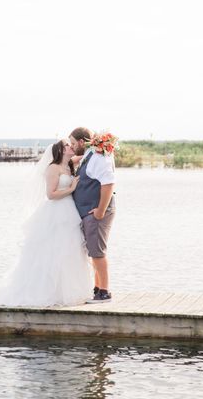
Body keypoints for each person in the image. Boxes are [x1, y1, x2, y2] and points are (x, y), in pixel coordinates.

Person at [0, 140, 93, 307]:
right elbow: (50, 194)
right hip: (56, 212)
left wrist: (100, 145)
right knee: (52, 251)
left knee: (68, 249)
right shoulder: (53, 168)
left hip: (69, 212)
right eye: (67, 145)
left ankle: (65, 291)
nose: (71, 146)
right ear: (60, 151)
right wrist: (71, 189)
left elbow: (88, 155)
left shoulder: (69, 164)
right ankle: (46, 291)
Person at [69, 127, 116, 303]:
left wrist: (100, 211)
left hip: (96, 212)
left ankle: (104, 292)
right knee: (93, 252)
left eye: (74, 143)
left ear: (82, 142)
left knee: (98, 253)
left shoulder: (98, 157)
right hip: (90, 211)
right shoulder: (90, 155)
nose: (72, 147)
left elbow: (108, 183)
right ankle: (97, 289)